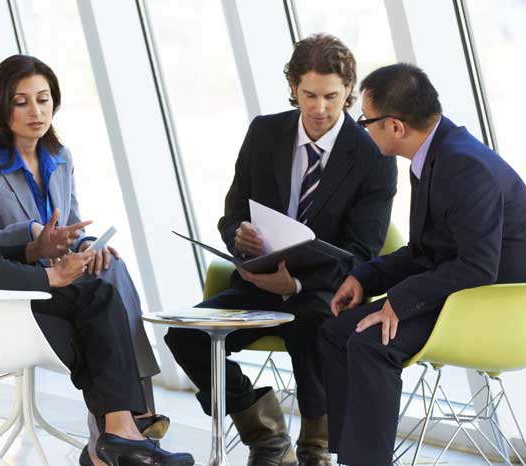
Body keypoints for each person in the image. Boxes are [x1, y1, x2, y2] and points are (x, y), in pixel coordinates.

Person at [0, 56, 193, 466]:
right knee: (95, 299)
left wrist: (33, 253)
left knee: (95, 293)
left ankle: (119, 435)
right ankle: (120, 434)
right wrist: (55, 277)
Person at [165, 34, 397, 466]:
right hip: (257, 284)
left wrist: (297, 281)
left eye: (331, 96)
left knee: (312, 320)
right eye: (309, 95)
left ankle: (316, 451)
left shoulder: (372, 154)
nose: (320, 108)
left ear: (349, 90)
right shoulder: (265, 132)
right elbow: (231, 213)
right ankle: (267, 437)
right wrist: (240, 235)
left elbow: (362, 251)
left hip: (324, 289)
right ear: (293, 87)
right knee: (184, 336)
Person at [320, 63, 526, 466]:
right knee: (337, 331)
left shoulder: (462, 166)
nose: (363, 129)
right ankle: (351, 457)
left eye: (366, 120)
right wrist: (364, 276)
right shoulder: (434, 155)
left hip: (492, 305)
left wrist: (399, 299)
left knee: (372, 344)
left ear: (395, 126)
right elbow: (425, 250)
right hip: (459, 291)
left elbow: (479, 267)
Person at [0, 54, 166, 466]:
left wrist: (88, 244)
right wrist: (34, 236)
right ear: (1, 106)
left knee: (111, 264)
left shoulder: (61, 157)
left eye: (44, 99)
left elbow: (71, 225)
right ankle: (127, 424)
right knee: (103, 290)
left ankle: (116, 432)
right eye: (21, 102)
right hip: (19, 285)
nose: (36, 112)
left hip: (66, 276)